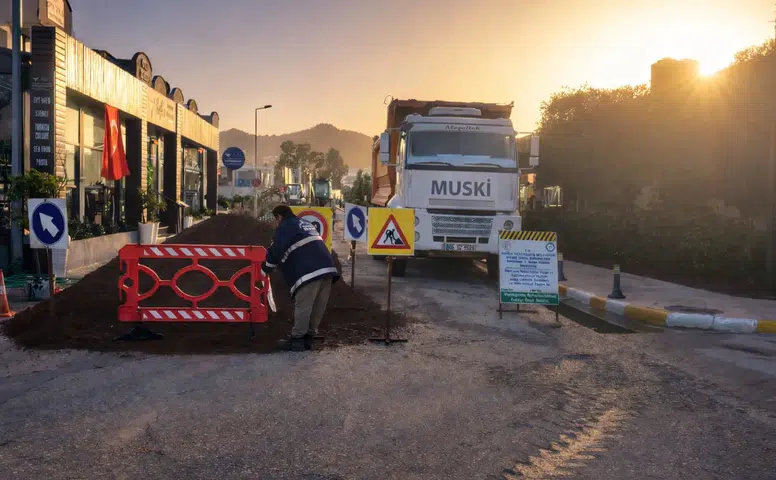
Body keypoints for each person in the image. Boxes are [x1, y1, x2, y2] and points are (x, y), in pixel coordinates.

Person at [261, 205, 340, 351]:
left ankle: (297, 340)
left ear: (279, 217)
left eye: (275, 220)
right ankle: (309, 337)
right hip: (328, 267)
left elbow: (276, 249)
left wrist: (265, 268)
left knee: (304, 304)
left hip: (309, 270)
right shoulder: (305, 224)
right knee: (318, 305)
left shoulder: (285, 226)